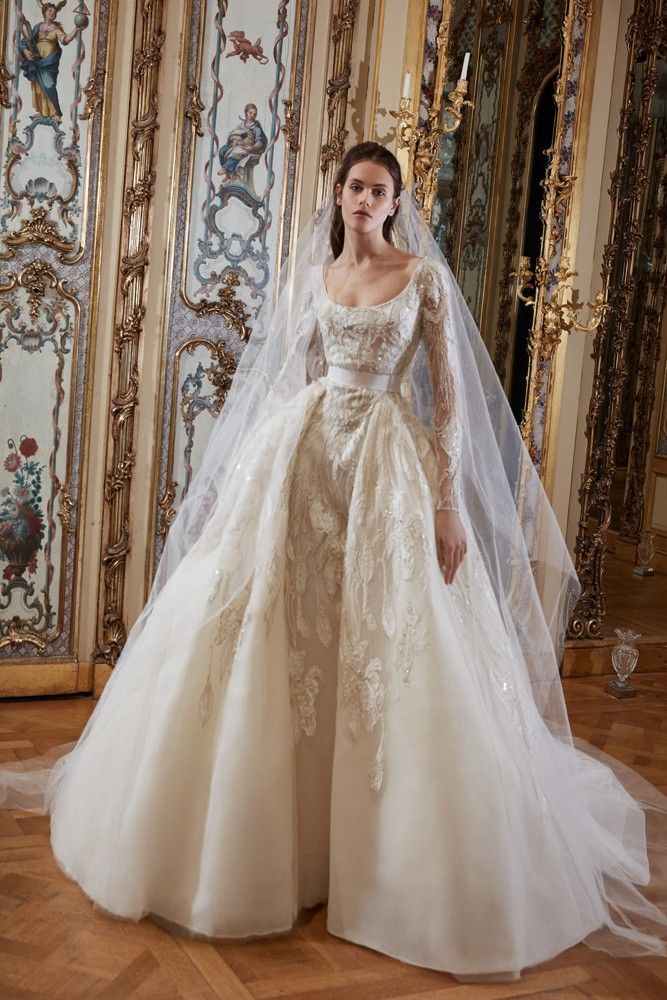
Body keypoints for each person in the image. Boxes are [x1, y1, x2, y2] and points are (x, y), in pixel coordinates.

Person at [1, 142, 666, 982]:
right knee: (272, 626)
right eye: (354, 186)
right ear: (340, 194)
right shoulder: (313, 278)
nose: (363, 199)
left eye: (378, 190)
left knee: (387, 641)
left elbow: (449, 402)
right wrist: (240, 480)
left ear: (395, 202)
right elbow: (289, 380)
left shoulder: (422, 278)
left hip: (386, 464)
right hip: (305, 457)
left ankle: (389, 861)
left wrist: (448, 503)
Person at [18, 3, 84, 123]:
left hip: (49, 62)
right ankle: (42, 111)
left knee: (49, 85)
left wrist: (76, 29)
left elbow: (65, 40)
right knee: (38, 86)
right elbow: (26, 40)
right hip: (36, 60)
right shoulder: (37, 27)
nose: (52, 13)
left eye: (54, 12)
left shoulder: (56, 29)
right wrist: (26, 51)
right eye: (50, 11)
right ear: (44, 12)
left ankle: (56, 112)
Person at [218, 103, 268, 189]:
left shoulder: (256, 128)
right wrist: (235, 138)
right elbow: (234, 134)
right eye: (250, 113)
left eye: (254, 114)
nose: (252, 115)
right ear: (246, 113)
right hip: (236, 144)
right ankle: (227, 174)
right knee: (222, 150)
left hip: (249, 148)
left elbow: (260, 142)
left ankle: (226, 168)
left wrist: (252, 147)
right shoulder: (242, 125)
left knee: (236, 152)